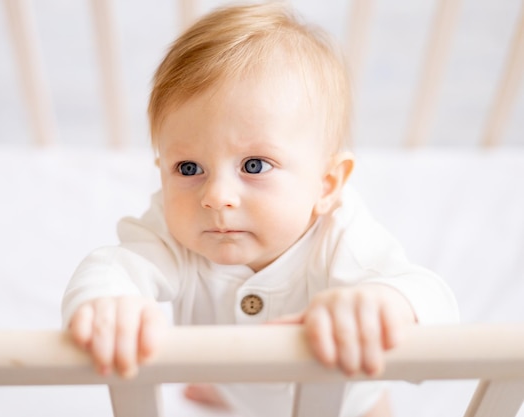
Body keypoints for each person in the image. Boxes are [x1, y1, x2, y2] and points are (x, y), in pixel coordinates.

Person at [62, 3, 459, 417]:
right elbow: (116, 265)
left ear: (327, 185)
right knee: (230, 379)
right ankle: (222, 391)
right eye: (189, 168)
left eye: (254, 166)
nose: (216, 197)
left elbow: (431, 297)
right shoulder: (173, 228)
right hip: (235, 383)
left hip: (346, 400)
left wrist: (379, 303)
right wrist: (108, 301)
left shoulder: (342, 236)